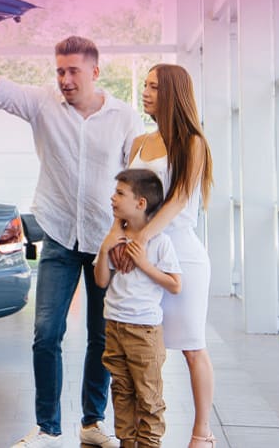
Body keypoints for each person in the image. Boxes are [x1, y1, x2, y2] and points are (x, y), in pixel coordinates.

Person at [0, 30, 144, 448]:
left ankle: (92, 423)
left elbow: (137, 184)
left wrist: (127, 239)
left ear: (95, 71)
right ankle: (48, 428)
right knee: (46, 333)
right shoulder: (42, 104)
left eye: (73, 71)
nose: (65, 80)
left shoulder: (124, 117)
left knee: (101, 336)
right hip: (59, 238)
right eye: (59, 71)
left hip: (107, 242)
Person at [110, 63, 218, 448]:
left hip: (180, 256)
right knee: (143, 350)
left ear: (172, 92)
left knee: (191, 346)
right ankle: (142, 434)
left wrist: (138, 241)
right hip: (139, 258)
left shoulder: (192, 143)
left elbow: (176, 203)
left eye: (154, 86)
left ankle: (202, 433)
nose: (146, 92)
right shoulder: (139, 142)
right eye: (146, 85)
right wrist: (122, 240)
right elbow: (126, 202)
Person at [95, 169, 183, 448]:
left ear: (140, 203)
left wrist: (144, 263)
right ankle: (126, 442)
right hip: (114, 326)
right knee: (121, 390)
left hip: (144, 331)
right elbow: (101, 281)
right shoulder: (115, 237)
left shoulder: (159, 242)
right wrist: (104, 249)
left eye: (120, 193)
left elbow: (175, 285)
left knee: (148, 397)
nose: (113, 198)